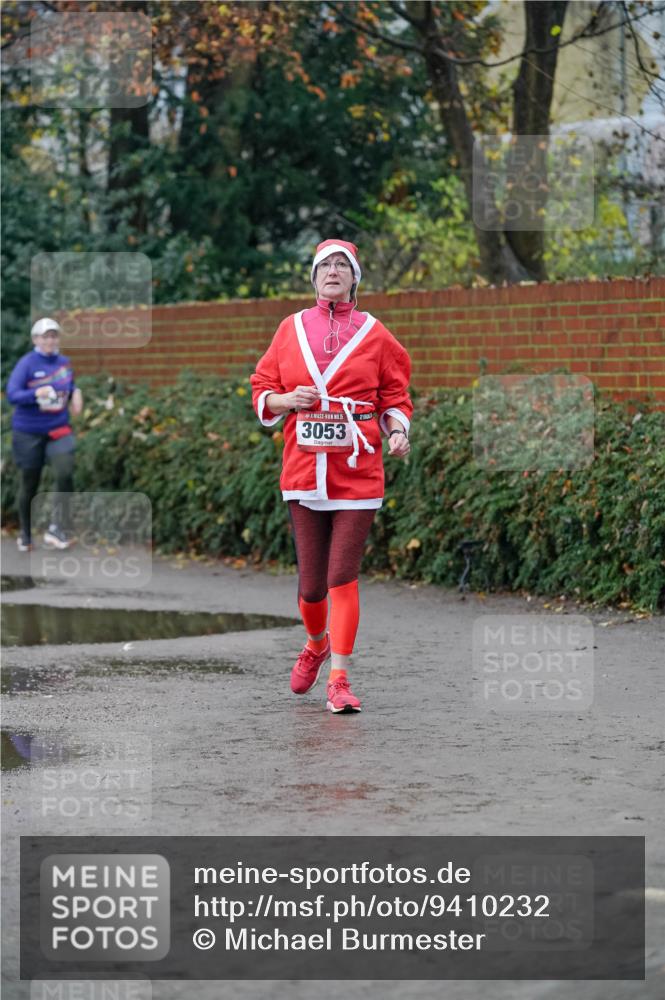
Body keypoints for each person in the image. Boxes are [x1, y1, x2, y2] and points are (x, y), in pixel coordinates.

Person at [251, 239, 412, 714]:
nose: (334, 272)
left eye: (343, 266)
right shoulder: (291, 329)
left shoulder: (377, 334)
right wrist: (284, 402)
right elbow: (263, 386)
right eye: (326, 266)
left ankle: (339, 678)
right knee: (310, 587)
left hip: (358, 471)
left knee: (343, 576)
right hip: (303, 467)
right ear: (314, 276)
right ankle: (316, 643)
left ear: (356, 278)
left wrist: (397, 429)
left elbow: (396, 397)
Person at [6, 317, 83, 552]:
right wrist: (36, 393)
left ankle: (57, 528)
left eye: (53, 336)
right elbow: (12, 395)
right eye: (45, 336)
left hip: (58, 428)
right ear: (36, 339)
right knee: (30, 483)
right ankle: (26, 534)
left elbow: (68, 386)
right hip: (28, 432)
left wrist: (76, 392)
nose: (50, 340)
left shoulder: (64, 363)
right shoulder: (27, 364)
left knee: (65, 471)